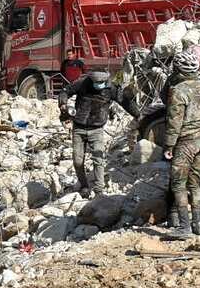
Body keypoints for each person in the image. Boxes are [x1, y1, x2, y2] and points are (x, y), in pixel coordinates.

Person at [162, 46, 200, 238]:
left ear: (178, 70)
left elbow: (174, 121)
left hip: (185, 142)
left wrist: (169, 145)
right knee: (195, 184)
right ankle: (199, 224)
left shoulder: (177, 90)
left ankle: (184, 227)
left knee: (179, 184)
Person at [57, 69, 140, 198]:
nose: (98, 84)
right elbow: (65, 91)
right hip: (79, 127)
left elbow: (125, 102)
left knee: (98, 159)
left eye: (101, 82)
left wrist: (137, 114)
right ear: (91, 79)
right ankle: (84, 185)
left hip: (96, 129)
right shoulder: (82, 84)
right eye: (95, 82)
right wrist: (63, 104)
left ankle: (99, 190)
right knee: (78, 161)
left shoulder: (111, 89)